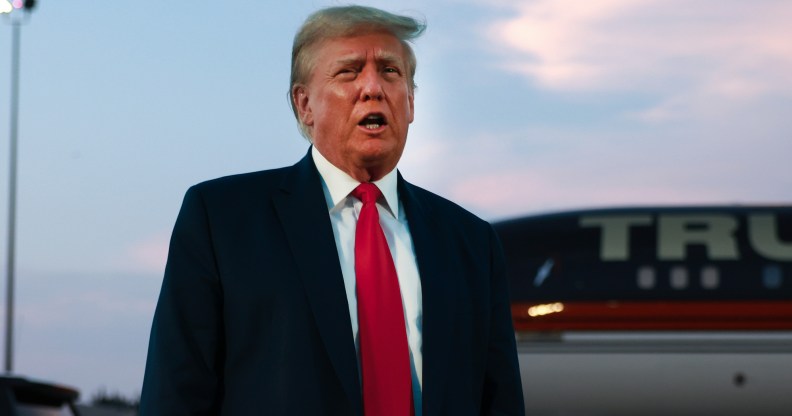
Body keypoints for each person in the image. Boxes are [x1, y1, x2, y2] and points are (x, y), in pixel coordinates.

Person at [140, 5, 523, 415]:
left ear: (411, 102)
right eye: (349, 71)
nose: (373, 87)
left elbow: (499, 401)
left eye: (390, 71)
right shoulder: (222, 220)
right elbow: (175, 395)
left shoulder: (472, 244)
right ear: (304, 104)